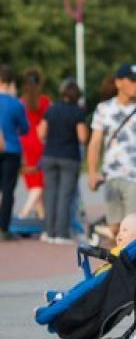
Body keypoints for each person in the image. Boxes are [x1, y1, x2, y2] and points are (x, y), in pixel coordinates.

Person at [87, 63, 136, 244]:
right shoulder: (103, 108)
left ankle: (134, 271)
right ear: (119, 83)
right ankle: (115, 268)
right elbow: (95, 143)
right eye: (132, 81)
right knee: (115, 229)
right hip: (111, 177)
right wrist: (92, 172)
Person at [39, 79, 90, 243]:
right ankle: (61, 234)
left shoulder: (51, 109)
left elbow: (41, 133)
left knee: (50, 193)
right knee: (65, 195)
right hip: (69, 156)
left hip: (49, 155)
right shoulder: (77, 112)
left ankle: (48, 232)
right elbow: (82, 137)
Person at [0, 66, 31, 240]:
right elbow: (25, 128)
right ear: (10, 83)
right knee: (7, 190)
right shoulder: (16, 103)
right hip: (11, 151)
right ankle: (3, 228)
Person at [18, 69, 50, 221]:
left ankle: (42, 216)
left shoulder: (21, 101)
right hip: (40, 142)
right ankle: (24, 213)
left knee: (33, 183)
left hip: (24, 142)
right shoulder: (44, 101)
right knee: (39, 185)